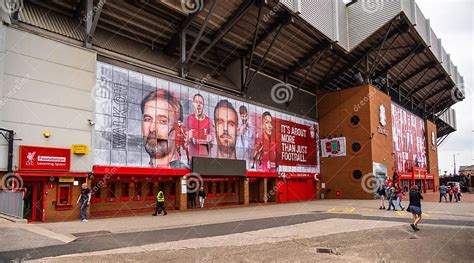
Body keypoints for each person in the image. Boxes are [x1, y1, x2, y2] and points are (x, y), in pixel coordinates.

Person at [141, 89, 188, 168]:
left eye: (162, 121)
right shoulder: (140, 170)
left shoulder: (186, 175)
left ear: (178, 127)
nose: (152, 128)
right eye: (148, 119)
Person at [185, 93, 216, 157]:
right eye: (196, 102)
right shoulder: (187, 119)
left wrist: (210, 139)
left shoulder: (208, 121)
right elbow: (183, 140)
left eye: (200, 103)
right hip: (192, 158)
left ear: (203, 105)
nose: (198, 105)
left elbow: (213, 140)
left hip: (204, 157)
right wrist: (187, 137)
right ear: (193, 104)